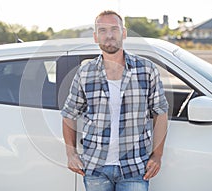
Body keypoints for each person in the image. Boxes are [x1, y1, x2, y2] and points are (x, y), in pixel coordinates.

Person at [61, 10, 168, 191]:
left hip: (134, 167)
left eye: (114, 29)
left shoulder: (146, 69)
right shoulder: (85, 73)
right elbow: (68, 113)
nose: (109, 35)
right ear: (95, 37)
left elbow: (160, 112)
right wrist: (70, 153)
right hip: (95, 167)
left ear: (124, 33)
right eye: (102, 30)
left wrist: (157, 155)